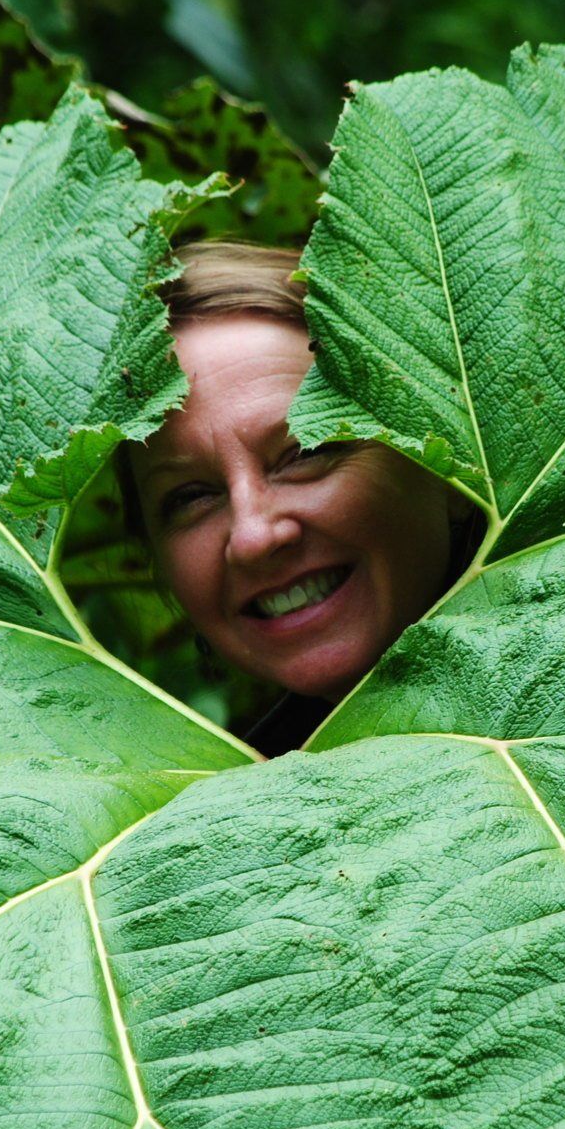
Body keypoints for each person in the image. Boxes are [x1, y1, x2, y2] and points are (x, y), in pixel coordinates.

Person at [114, 242, 480, 755]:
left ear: (447, 462)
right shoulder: (224, 827)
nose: (253, 537)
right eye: (191, 497)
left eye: (304, 450)